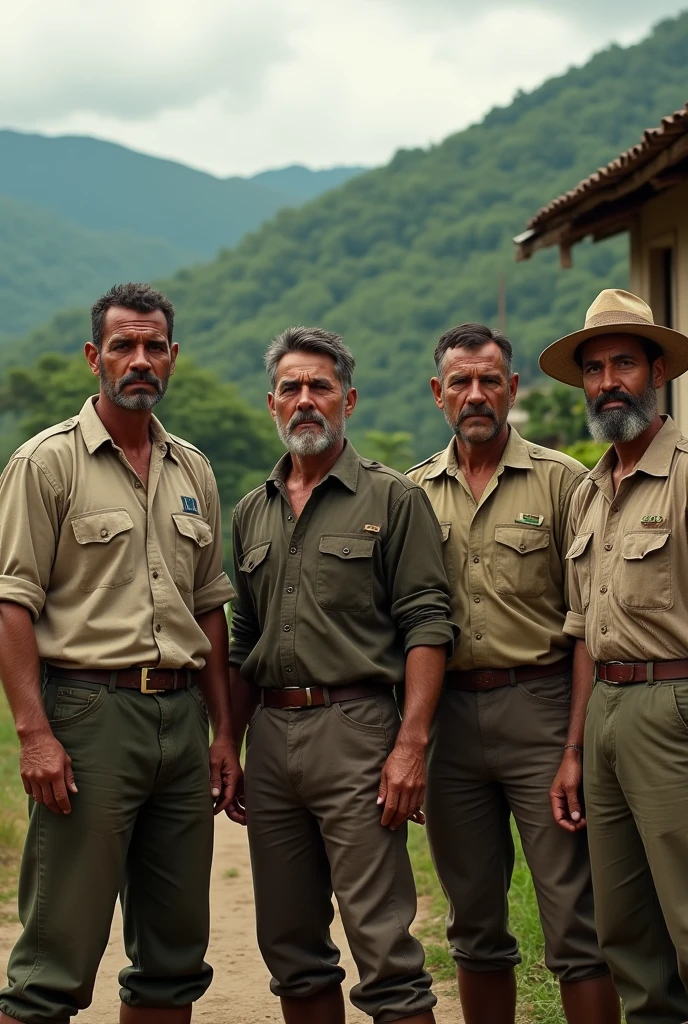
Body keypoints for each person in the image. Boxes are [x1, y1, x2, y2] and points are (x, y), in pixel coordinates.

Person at [0, 283, 241, 1024]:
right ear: (93, 357)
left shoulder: (192, 468)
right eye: (123, 346)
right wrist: (35, 733)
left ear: (172, 355)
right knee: (54, 960)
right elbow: (12, 603)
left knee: (173, 958)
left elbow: (209, 608)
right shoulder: (47, 463)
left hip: (180, 719)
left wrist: (224, 731)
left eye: (154, 346)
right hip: (89, 714)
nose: (140, 360)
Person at [228, 326, 456, 1024]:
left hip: (357, 731)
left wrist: (411, 745)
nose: (305, 400)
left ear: (347, 399)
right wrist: (227, 743)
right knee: (290, 947)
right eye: (291, 388)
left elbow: (427, 623)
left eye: (319, 387)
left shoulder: (392, 500)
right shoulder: (250, 511)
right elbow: (243, 638)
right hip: (270, 738)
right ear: (272, 402)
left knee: (383, 947)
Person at [407, 323, 619, 1024]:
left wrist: (573, 748)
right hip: (451, 731)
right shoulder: (412, 497)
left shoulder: (563, 483)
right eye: (461, 383)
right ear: (439, 394)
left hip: (541, 711)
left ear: (512, 389)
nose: (476, 395)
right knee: (473, 926)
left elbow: (588, 621)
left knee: (574, 923)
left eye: (489, 380)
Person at [540, 288, 688, 1024]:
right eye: (594, 369)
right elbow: (581, 629)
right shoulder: (591, 489)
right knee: (626, 931)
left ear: (657, 370)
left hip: (675, 708)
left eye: (623, 362)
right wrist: (573, 748)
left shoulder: (687, 473)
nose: (607, 382)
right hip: (603, 711)